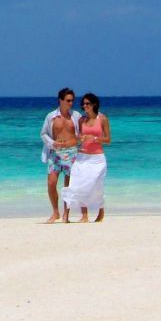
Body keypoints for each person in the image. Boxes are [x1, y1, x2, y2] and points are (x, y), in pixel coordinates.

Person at [62, 93, 110, 222]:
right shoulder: (81, 120)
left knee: (96, 185)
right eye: (83, 104)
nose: (85, 106)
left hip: (97, 159)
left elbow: (108, 139)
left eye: (87, 103)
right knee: (79, 185)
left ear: (94, 104)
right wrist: (79, 138)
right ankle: (84, 215)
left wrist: (95, 138)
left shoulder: (103, 119)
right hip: (82, 157)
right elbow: (77, 137)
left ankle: (101, 212)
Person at [40, 88, 80, 224]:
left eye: (72, 101)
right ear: (60, 100)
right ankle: (55, 212)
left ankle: (66, 214)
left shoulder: (76, 116)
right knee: (51, 183)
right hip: (55, 154)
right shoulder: (51, 116)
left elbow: (81, 134)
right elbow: (43, 133)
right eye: (68, 100)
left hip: (72, 153)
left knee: (68, 186)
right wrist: (52, 143)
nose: (71, 103)